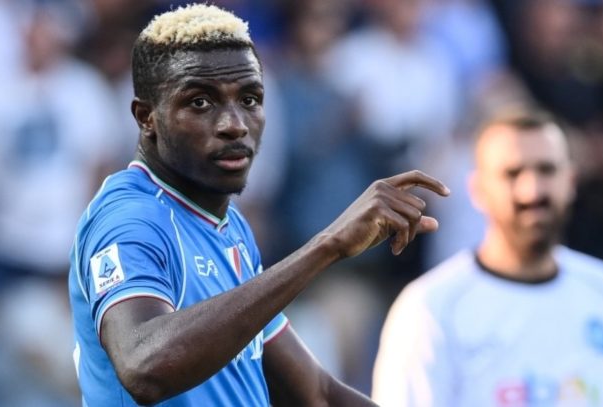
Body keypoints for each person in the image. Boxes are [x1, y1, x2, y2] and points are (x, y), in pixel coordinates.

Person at [68, 4, 450, 406]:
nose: (234, 124)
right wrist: (328, 245)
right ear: (146, 117)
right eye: (200, 102)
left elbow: (316, 393)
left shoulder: (229, 226)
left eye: (250, 99)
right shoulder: (129, 218)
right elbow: (144, 367)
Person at [372, 109, 603, 406]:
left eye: (546, 170)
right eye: (512, 174)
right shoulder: (430, 307)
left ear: (571, 181)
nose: (532, 191)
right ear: (477, 189)